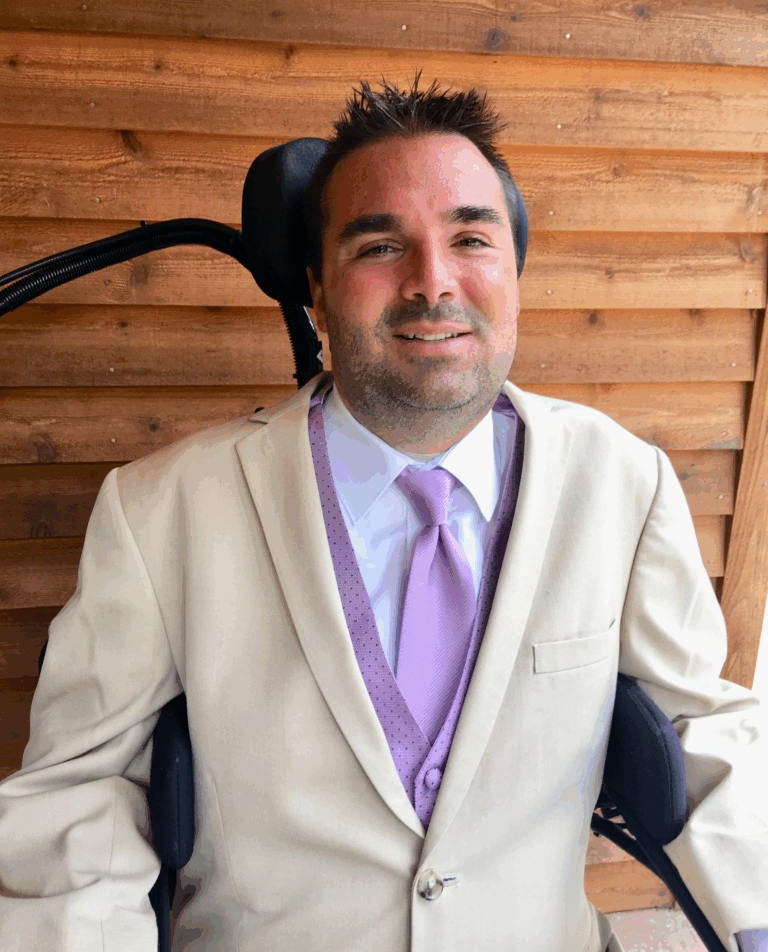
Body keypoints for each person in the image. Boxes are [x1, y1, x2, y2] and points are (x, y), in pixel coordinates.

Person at [0, 74, 766, 952]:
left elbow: (701, 731)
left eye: (470, 238)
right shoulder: (160, 512)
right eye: (378, 247)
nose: (432, 283)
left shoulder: (623, 483)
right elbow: (81, 798)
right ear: (317, 296)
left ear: (514, 275)